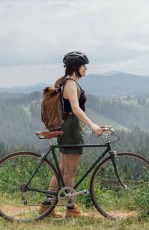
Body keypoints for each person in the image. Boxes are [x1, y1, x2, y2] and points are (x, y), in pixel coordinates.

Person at [39, 51, 102, 218]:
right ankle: (71, 208)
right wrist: (92, 125)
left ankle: (47, 207)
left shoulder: (64, 82)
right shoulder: (71, 84)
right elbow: (75, 108)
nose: (86, 68)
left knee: (61, 170)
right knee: (69, 172)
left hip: (65, 127)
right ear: (76, 67)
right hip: (71, 128)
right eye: (84, 66)